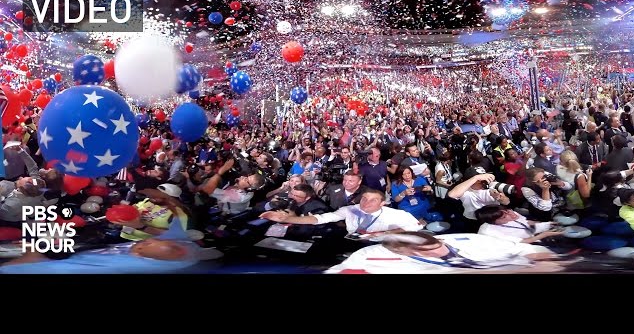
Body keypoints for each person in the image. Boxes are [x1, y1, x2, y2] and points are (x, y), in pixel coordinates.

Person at [0, 219, 222, 274]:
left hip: (62, 259)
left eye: (146, 245)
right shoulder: (177, 238)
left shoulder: (180, 253)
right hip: (81, 249)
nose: (146, 243)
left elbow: (174, 251)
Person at [324, 231, 564, 274]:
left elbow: (526, 249)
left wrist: (541, 260)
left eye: (436, 247)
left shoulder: (471, 239)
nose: (436, 253)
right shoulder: (376, 258)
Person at [260, 188, 422, 237]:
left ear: (382, 203)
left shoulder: (397, 215)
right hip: (351, 246)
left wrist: (384, 233)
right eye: (364, 198)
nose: (366, 203)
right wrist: (285, 218)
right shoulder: (349, 210)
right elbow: (320, 219)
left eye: (372, 200)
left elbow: (418, 225)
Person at [475, 205, 565, 245]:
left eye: (507, 211)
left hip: (534, 236)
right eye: (504, 216)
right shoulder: (488, 232)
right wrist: (545, 234)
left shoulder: (509, 213)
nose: (510, 214)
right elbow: (522, 242)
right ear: (494, 222)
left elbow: (526, 223)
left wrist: (548, 224)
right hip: (522, 246)